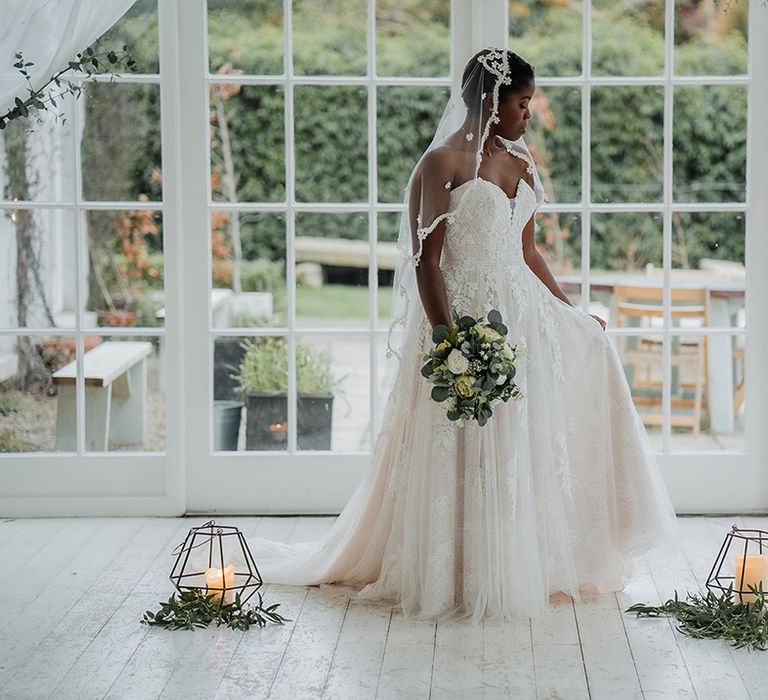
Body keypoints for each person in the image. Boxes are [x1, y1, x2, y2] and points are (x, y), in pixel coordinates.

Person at [246, 47, 682, 625]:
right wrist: (451, 342)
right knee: (462, 442)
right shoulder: (440, 163)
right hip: (460, 320)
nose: (529, 114)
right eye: (522, 103)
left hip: (520, 319)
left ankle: (529, 557)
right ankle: (455, 566)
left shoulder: (521, 160)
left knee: (530, 424)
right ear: (491, 101)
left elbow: (526, 251)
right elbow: (427, 262)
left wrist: (569, 311)